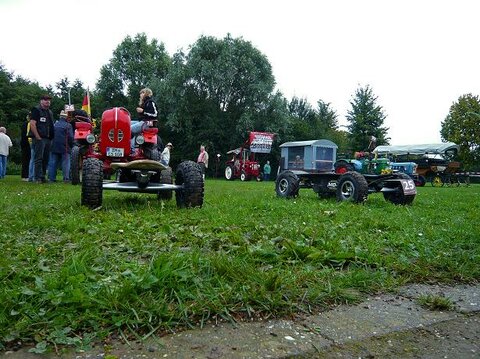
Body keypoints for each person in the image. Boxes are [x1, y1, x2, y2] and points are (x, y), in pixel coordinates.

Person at [29, 94, 55, 183]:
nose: (47, 101)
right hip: (40, 138)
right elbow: (32, 123)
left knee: (46, 159)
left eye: (49, 100)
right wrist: (37, 136)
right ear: (41, 101)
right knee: (38, 158)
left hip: (48, 138)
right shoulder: (36, 110)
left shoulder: (49, 112)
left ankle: (42, 176)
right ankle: (37, 177)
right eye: (45, 99)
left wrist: (51, 137)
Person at [47, 110, 74, 182]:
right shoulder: (68, 125)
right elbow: (71, 137)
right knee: (66, 163)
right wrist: (72, 146)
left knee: (52, 163)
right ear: (66, 117)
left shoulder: (54, 124)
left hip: (54, 146)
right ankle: (66, 178)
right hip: (65, 146)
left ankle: (51, 178)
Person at [20, 115, 31, 181]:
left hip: (24, 144)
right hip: (28, 143)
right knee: (28, 160)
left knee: (25, 160)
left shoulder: (24, 124)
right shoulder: (28, 124)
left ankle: (24, 175)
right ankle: (27, 175)